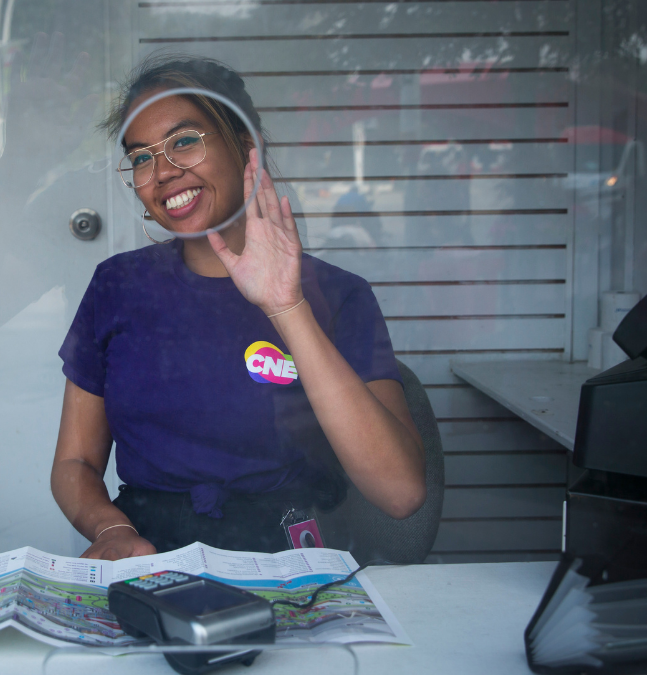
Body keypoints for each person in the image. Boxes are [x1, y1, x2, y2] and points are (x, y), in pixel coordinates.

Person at [51, 55, 426, 561]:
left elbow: (400, 493)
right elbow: (74, 461)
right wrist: (109, 530)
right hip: (148, 557)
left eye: (184, 141)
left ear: (246, 149)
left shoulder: (340, 296)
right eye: (141, 157)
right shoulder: (117, 285)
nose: (161, 172)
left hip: (292, 562)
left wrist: (286, 305)